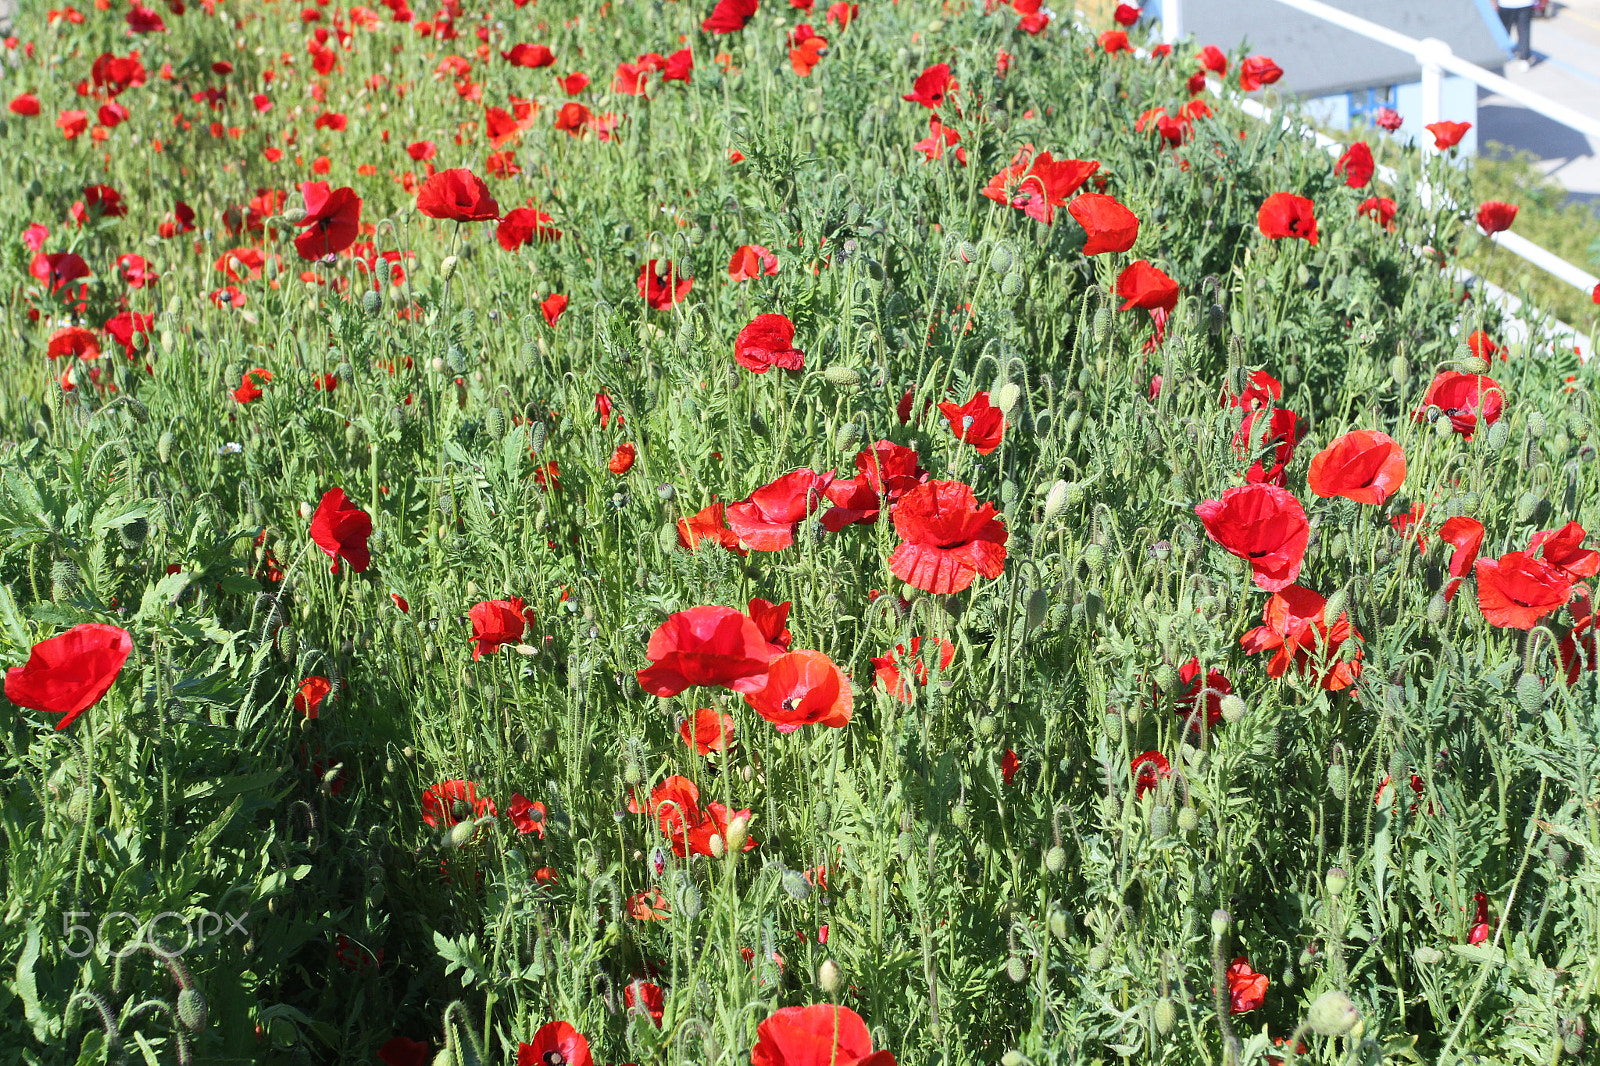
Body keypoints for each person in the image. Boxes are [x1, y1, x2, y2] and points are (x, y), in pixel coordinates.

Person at [1497, 0, 1536, 71]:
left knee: (1504, 29)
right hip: (1525, 3)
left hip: (1506, 4)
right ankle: (1524, 59)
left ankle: (1505, 52)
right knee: (1524, 30)